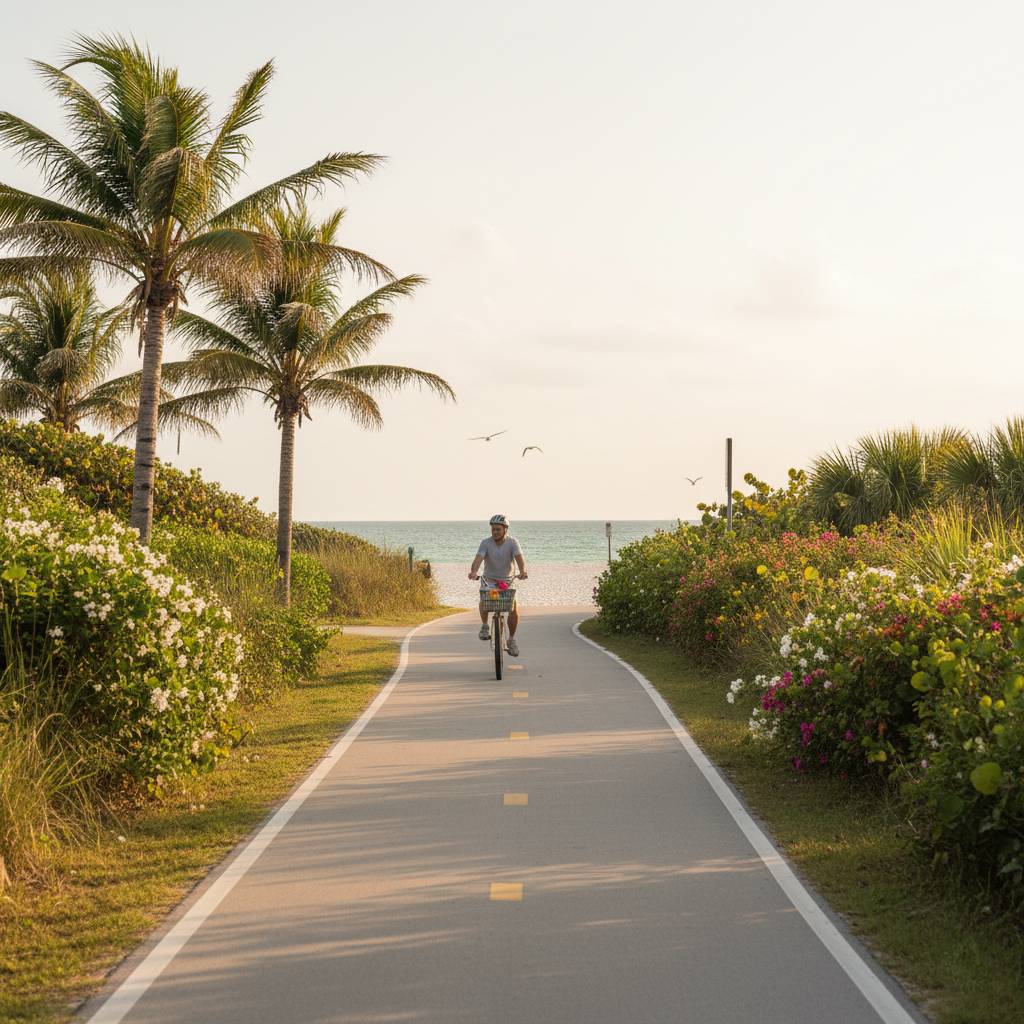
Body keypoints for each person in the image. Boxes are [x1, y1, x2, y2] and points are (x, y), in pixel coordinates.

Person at [468, 514, 528, 656]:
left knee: (513, 609)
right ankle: (485, 626)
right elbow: (478, 559)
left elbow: (519, 559)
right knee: (484, 598)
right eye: (493, 529)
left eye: (498, 529)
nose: (495, 532)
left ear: (505, 529)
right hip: (489, 580)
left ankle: (511, 640)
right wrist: (473, 572)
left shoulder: (513, 543)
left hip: (507, 581)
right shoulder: (486, 543)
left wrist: (522, 571)